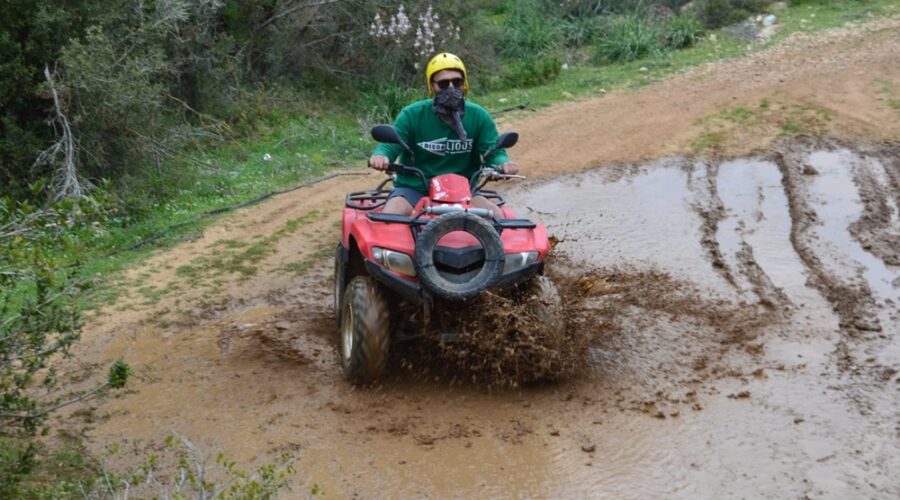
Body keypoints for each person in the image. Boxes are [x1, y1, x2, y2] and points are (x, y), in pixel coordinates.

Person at [369, 52, 519, 217]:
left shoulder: (478, 116)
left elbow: (493, 150)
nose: (451, 88)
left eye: (457, 82)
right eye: (443, 83)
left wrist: (504, 163)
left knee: (497, 217)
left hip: (463, 191)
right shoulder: (412, 114)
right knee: (391, 216)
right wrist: (381, 156)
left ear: (464, 84)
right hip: (414, 189)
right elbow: (392, 144)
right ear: (432, 86)